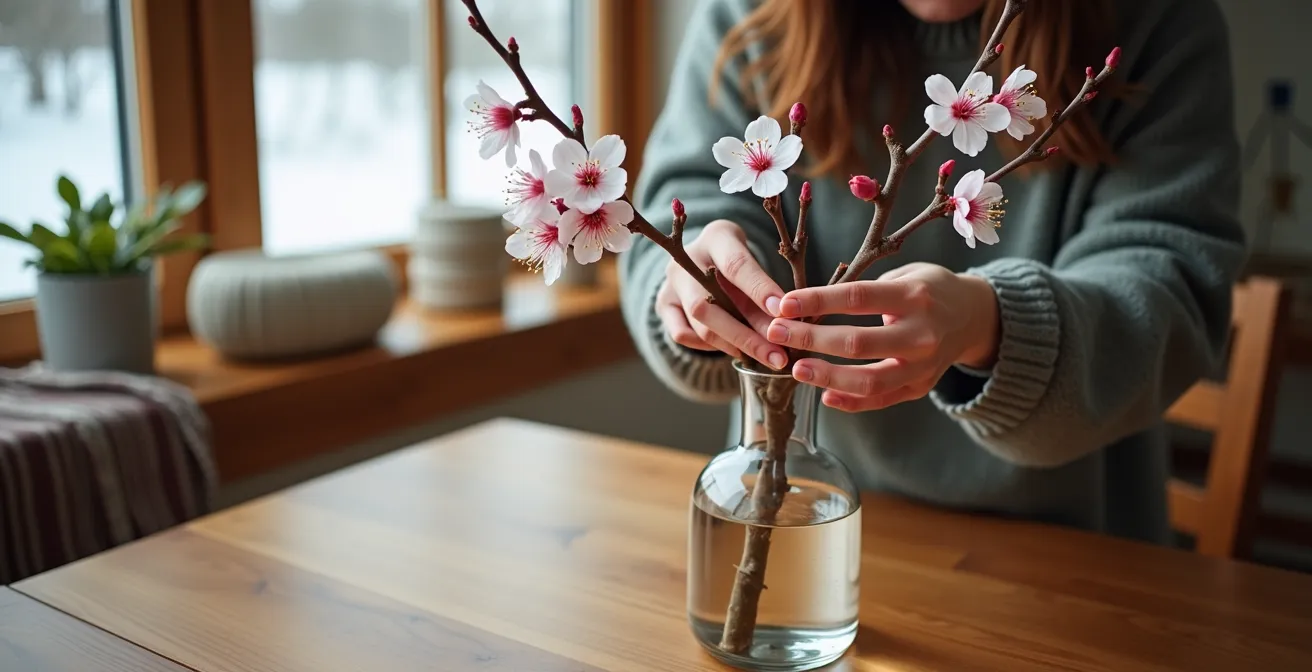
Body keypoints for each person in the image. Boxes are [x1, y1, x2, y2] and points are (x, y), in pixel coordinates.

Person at [618, 0, 1245, 544]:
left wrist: (991, 325)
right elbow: (692, 204)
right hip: (797, 518)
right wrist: (698, 289)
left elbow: (1171, 288)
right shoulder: (753, 15)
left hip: (1078, 552)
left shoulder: (1157, 23)